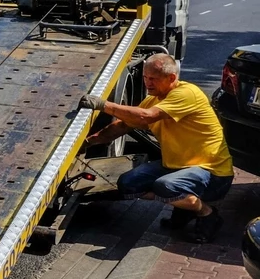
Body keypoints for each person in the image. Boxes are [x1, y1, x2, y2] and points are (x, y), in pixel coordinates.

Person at [80, 53, 234, 243]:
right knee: (128, 184)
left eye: (153, 78)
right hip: (176, 166)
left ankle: (207, 213)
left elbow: (146, 116)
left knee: (165, 186)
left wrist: (102, 105)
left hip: (213, 173)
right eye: (145, 77)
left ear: (171, 78)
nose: (147, 83)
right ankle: (185, 207)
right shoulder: (154, 99)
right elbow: (124, 125)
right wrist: (91, 141)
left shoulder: (187, 94)